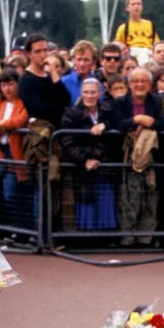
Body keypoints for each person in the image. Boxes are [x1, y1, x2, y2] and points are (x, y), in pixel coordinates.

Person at [113, 67, 164, 245]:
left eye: (144, 81)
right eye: (135, 81)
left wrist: (147, 125)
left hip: (151, 155)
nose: (139, 84)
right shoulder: (120, 102)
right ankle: (127, 238)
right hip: (127, 156)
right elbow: (116, 123)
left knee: (150, 195)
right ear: (129, 84)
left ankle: (145, 238)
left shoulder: (157, 100)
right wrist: (136, 120)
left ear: (150, 84)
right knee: (129, 196)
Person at [60, 78, 118, 235]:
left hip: (104, 165)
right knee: (85, 201)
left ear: (99, 94)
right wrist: (84, 159)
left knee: (105, 200)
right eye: (86, 92)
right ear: (81, 93)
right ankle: (86, 236)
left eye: (93, 92)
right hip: (82, 166)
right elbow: (67, 142)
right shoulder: (71, 113)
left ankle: (107, 236)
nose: (89, 96)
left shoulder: (108, 111)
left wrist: (105, 125)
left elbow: (117, 128)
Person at [0, 68, 30, 208]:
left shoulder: (24, 101)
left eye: (11, 84)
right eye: (4, 85)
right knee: (7, 194)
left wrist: (0, 124)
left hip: (19, 152)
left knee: (19, 192)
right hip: (3, 152)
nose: (7, 89)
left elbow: (20, 120)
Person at [18, 34, 70, 129]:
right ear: (29, 54)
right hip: (42, 129)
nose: (43, 55)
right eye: (38, 51)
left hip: (58, 128)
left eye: (45, 50)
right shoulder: (26, 79)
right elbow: (38, 110)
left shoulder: (49, 75)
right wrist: (58, 107)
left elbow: (65, 99)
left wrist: (53, 71)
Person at [114, 0, 159, 65]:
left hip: (149, 55)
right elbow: (117, 45)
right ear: (127, 8)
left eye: (138, 4)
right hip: (132, 56)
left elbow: (157, 44)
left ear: (142, 7)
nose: (136, 6)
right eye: (133, 4)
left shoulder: (149, 24)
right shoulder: (123, 28)